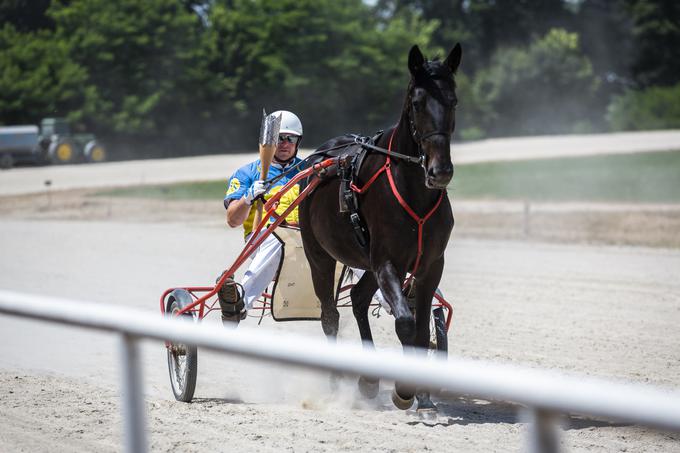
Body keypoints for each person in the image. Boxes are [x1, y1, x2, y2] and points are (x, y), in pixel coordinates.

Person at [218, 110, 304, 322]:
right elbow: (232, 221)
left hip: (305, 238)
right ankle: (238, 304)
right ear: (269, 142)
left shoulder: (307, 170)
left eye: (290, 138)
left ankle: (388, 298)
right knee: (278, 240)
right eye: (279, 138)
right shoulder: (247, 173)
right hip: (261, 239)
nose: (284, 143)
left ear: (297, 142)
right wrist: (248, 197)